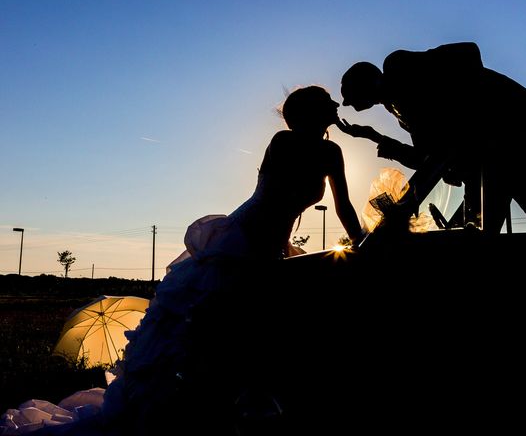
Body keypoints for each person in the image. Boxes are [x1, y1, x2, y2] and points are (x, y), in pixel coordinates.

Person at [2, 85, 364, 436]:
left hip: (268, 246)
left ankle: (227, 407)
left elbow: (343, 205)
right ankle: (194, 409)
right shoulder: (285, 143)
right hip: (242, 241)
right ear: (310, 112)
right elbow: (276, 198)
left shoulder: (333, 153)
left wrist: (362, 242)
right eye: (328, 101)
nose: (337, 105)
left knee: (238, 332)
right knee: (214, 329)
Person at [338, 41, 526, 234]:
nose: (349, 104)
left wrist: (465, 115)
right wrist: (375, 137)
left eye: (351, 95)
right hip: (486, 160)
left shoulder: (398, 68)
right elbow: (427, 160)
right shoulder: (398, 107)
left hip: (518, 136)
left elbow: (469, 52)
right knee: (476, 230)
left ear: (366, 84)